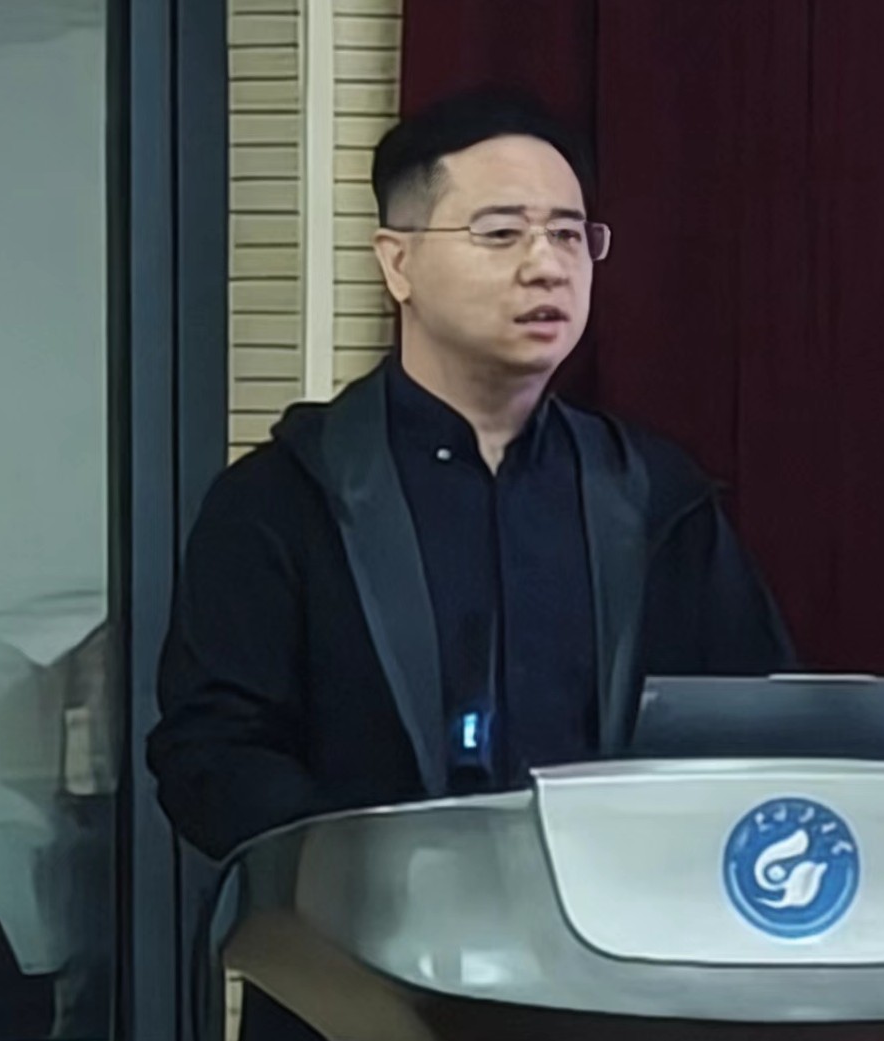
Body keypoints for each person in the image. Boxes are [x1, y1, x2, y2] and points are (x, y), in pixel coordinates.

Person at [147, 85, 795, 1040]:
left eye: (570, 234)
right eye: (502, 234)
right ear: (397, 262)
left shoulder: (656, 499)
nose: (547, 264)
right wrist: (382, 868)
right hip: (358, 994)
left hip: (617, 995)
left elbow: (760, 725)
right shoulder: (285, 498)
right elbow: (210, 750)